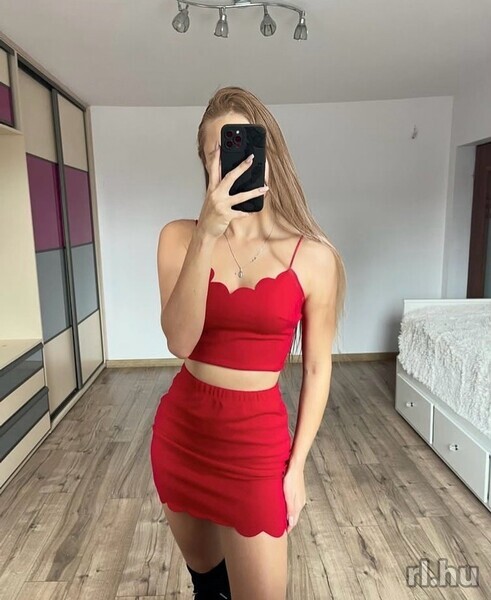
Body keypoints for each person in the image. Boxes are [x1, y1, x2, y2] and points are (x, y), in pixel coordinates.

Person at [150, 86, 346, 600]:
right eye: (215, 153)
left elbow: (318, 369)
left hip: (256, 445)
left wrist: (297, 468)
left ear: (267, 154)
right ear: (205, 166)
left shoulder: (314, 258)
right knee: (208, 587)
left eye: (239, 147)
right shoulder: (179, 237)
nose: (229, 163)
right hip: (182, 435)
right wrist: (207, 235)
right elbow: (180, 341)